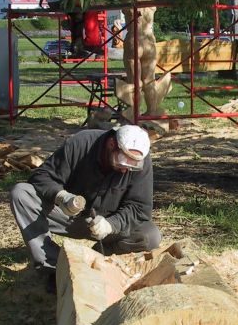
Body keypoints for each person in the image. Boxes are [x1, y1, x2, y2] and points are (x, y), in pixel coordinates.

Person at [10, 125, 161, 292]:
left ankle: (97, 258)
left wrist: (111, 224)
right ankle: (54, 267)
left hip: (106, 224)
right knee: (21, 193)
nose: (126, 169)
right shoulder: (81, 143)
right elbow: (42, 177)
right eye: (123, 161)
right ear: (112, 144)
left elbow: (139, 208)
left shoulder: (141, 160)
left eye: (133, 166)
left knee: (150, 236)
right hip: (68, 215)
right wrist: (61, 197)